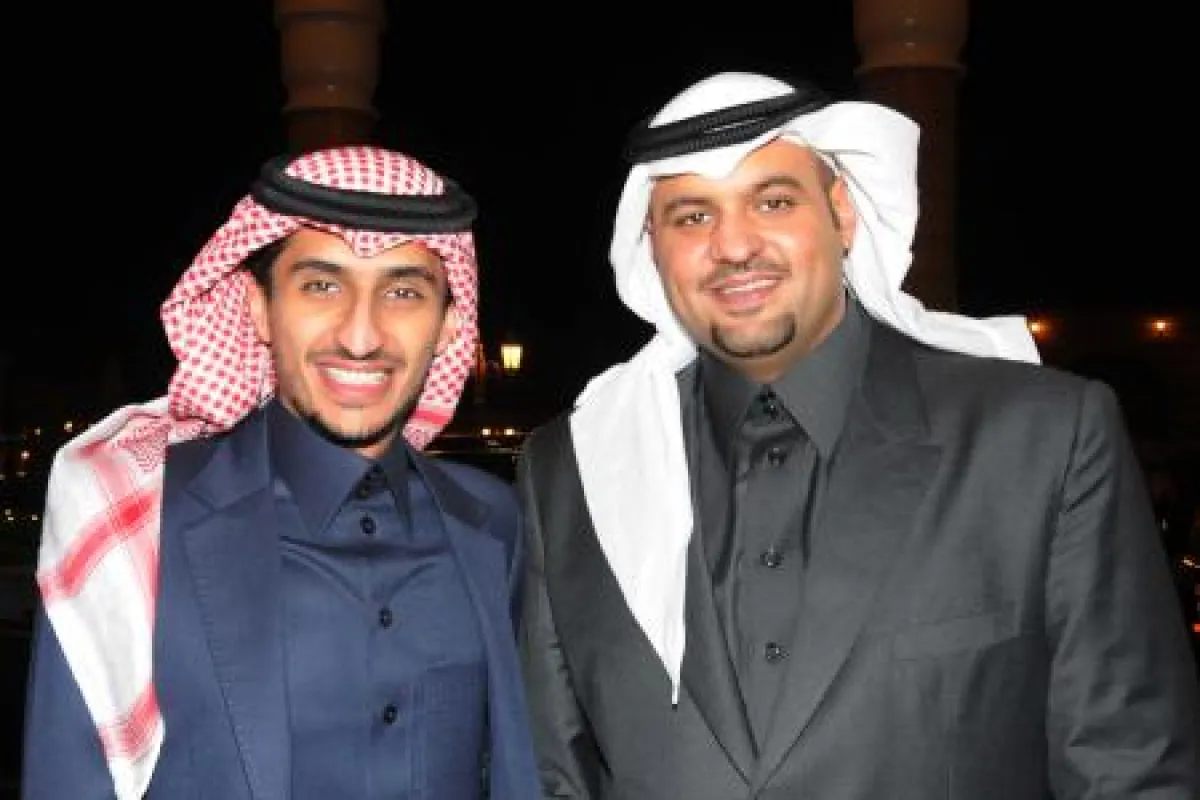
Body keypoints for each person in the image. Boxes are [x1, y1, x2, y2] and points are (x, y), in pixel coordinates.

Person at [516, 71, 1200, 798]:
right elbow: (558, 777)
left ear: (841, 213)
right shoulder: (575, 474)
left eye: (773, 201)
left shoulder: (1038, 442)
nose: (734, 245)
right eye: (692, 216)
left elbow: (1130, 770)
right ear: (652, 247)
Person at [22, 146, 540, 799]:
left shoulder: (492, 522)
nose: (361, 336)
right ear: (259, 308)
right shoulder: (138, 517)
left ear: (448, 325)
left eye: (403, 291)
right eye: (322, 285)